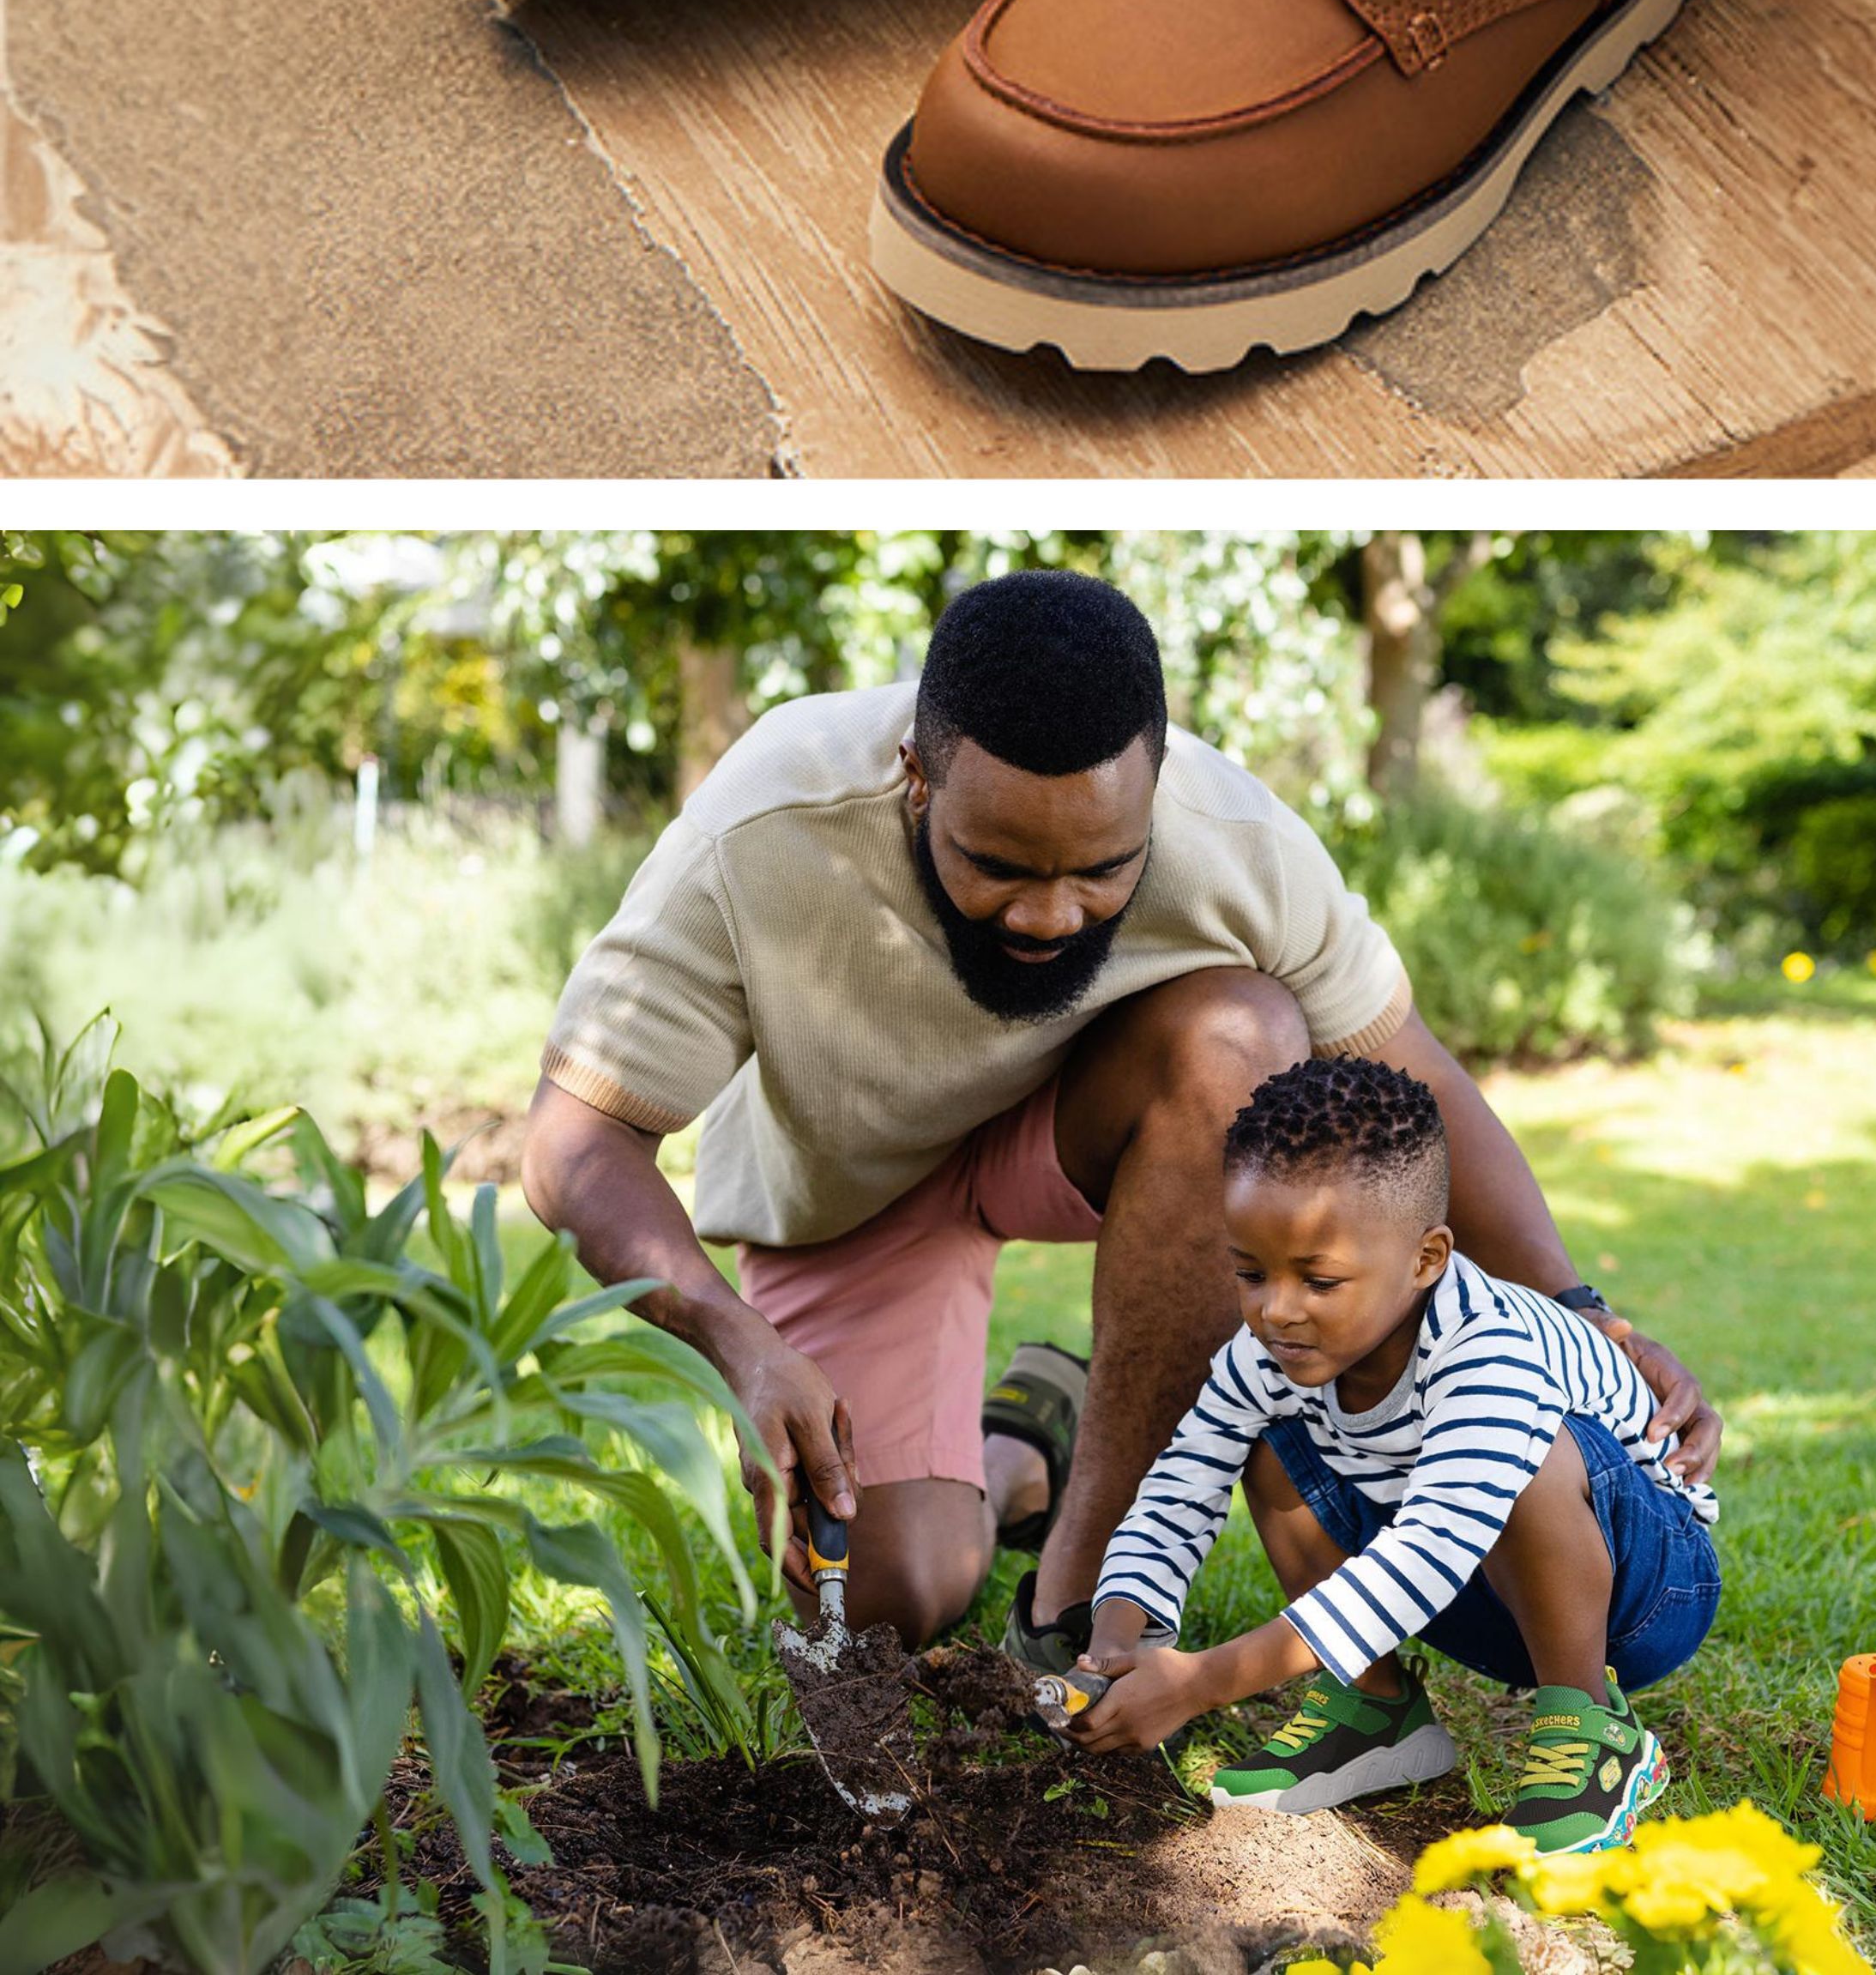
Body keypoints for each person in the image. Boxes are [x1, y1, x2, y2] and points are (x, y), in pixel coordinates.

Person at [520, 569, 1721, 1677]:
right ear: (915, 777)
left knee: (1244, 1039)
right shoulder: (766, 825)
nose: (1050, 913)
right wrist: (735, 1336)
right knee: (894, 1593)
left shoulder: (1237, 841)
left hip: (1084, 1132)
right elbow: (577, 1142)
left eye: (1103, 869)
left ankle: (1074, 1593)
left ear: (1153, 788)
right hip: (846, 1195)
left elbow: (1418, 1088)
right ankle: (1019, 1452)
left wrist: (1582, 1313)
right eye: (997, 864)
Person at [1068, 1059, 1721, 1845]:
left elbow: (1426, 1553)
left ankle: (1589, 1729)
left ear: (1426, 1259)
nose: (1277, 1311)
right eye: (1250, 1272)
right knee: (1269, 1440)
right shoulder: (1268, 1353)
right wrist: (1118, 1634)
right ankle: (1376, 1708)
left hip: (1642, 1594)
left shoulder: (1490, 1351)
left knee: (1532, 1455)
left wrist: (1204, 1682)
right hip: (1475, 1582)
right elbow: (1181, 1484)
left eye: (1320, 1280)